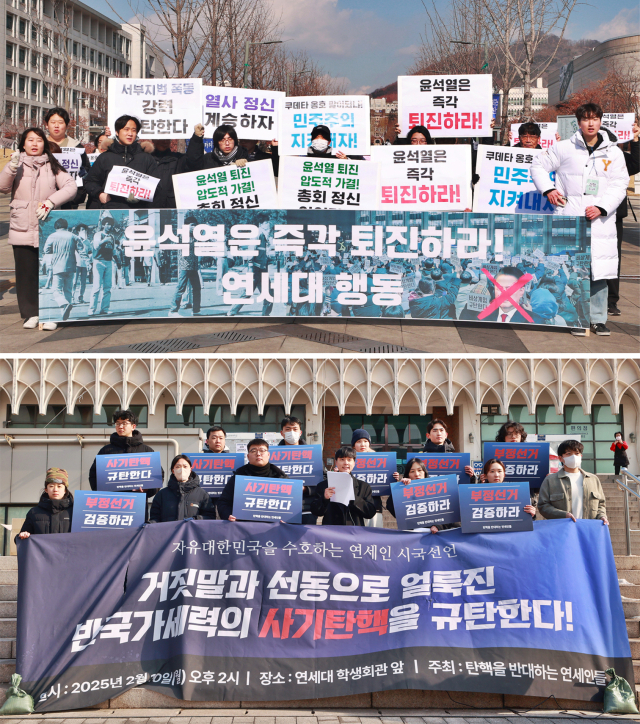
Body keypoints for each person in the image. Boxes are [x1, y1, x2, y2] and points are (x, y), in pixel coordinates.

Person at [530, 103, 629, 336]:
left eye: (595, 118)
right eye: (586, 119)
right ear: (578, 122)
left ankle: (597, 319)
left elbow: (619, 184)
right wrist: (549, 190)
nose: (591, 123)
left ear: (601, 121)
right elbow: (538, 165)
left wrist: (603, 207)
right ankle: (577, 318)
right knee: (574, 271)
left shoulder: (613, 152)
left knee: (598, 270)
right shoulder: (564, 148)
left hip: (600, 221)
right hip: (570, 216)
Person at [0, 127, 77, 331]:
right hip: (22, 226)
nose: (35, 144)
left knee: (50, 272)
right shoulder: (16, 164)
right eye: (30, 140)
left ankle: (51, 312)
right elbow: (3, 187)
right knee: (26, 273)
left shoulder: (52, 165)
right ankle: (30, 313)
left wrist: (51, 202)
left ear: (45, 144)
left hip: (47, 227)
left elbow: (71, 186)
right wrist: (11, 167)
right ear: (23, 144)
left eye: (39, 140)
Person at [83, 115, 160, 210]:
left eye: (134, 130)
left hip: (138, 212)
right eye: (126, 129)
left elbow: (156, 186)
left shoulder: (146, 158)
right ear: (117, 132)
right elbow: (90, 181)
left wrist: (141, 197)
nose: (130, 134)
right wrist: (99, 193)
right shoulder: (105, 157)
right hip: (110, 211)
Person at [89, 409, 161, 501]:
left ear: (133, 426)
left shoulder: (146, 451)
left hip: (137, 501)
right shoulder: (106, 451)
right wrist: (102, 492)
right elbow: (94, 475)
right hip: (112, 502)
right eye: (117, 423)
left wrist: (148, 490)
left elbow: (158, 475)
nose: (120, 426)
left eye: (124, 423)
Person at [608, 121, 640, 316]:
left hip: (614, 215)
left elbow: (636, 164)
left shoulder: (620, 158)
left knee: (613, 258)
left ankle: (611, 300)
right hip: (588, 213)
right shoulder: (586, 157)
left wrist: (635, 139)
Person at [538, 440, 608, 524]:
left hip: (588, 528)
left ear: (581, 456)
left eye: (577, 453)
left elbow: (601, 504)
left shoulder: (593, 479)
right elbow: (543, 506)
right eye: (568, 454)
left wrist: (602, 516)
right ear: (560, 458)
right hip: (562, 529)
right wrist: (564, 515)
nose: (574, 457)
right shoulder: (550, 480)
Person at [217, 439, 288, 521]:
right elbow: (223, 502)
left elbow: (292, 504)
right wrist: (228, 515)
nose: (258, 454)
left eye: (262, 450)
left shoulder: (280, 476)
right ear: (248, 456)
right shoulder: (239, 476)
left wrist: (287, 519)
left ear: (268, 454)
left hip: (273, 528)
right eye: (253, 451)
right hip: (244, 527)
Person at [311, 446, 376, 526]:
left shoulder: (363, 486)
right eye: (342, 459)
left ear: (354, 463)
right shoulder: (323, 485)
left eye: (349, 460)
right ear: (336, 462)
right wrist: (324, 498)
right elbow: (315, 511)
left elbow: (370, 513)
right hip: (331, 532)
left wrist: (354, 498)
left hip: (355, 533)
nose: (346, 463)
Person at [43, 107, 89, 209]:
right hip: (43, 199)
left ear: (67, 125)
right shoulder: (40, 145)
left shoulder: (76, 146)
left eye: (60, 122)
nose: (56, 126)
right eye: (53, 122)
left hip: (69, 200)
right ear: (46, 125)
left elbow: (86, 170)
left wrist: (77, 196)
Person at [276, 416, 317, 525]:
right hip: (280, 507)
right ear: (282, 432)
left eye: (295, 429)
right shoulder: (272, 455)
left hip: (307, 508)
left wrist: (306, 489)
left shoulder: (313, 454)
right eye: (288, 429)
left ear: (300, 432)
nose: (292, 432)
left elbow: (323, 479)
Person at [149, 455, 214, 523]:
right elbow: (155, 518)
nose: (182, 469)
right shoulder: (162, 494)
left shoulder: (202, 494)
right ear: (173, 471)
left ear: (190, 469)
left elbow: (210, 517)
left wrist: (195, 519)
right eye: (178, 467)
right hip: (169, 533)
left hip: (192, 533)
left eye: (185, 466)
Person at [41, 218, 83, 321]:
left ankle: (64, 304)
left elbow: (46, 250)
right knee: (67, 290)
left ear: (56, 227)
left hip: (57, 267)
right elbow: (81, 248)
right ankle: (65, 311)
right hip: (71, 266)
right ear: (66, 226)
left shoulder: (52, 236)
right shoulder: (73, 236)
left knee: (56, 290)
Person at [386, 457, 441, 531]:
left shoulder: (437, 489)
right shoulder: (404, 490)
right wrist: (400, 488)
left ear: (424, 472)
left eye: (419, 470)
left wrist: (438, 526)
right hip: (411, 535)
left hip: (434, 534)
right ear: (408, 475)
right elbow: (390, 506)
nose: (417, 474)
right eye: (412, 471)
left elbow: (447, 513)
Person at [17, 467, 73, 538]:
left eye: (59, 486)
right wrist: (23, 535)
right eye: (51, 486)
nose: (55, 490)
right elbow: (20, 540)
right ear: (46, 489)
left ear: (65, 490)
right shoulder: (34, 513)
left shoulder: (74, 512)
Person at [169, 214, 202, 317]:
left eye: (195, 225)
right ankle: (173, 311)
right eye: (192, 225)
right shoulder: (183, 235)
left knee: (197, 288)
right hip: (185, 265)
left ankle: (196, 311)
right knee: (181, 288)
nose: (194, 227)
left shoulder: (196, 236)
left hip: (193, 266)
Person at [350, 429, 383, 528]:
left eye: (365, 441)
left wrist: (393, 477)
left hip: (374, 504)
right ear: (354, 445)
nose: (362, 444)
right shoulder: (348, 461)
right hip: (354, 506)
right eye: (358, 441)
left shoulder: (379, 460)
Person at [186, 123, 250, 171]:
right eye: (222, 140)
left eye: (230, 139)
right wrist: (197, 138)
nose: (227, 143)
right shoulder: (209, 159)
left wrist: (247, 166)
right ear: (217, 142)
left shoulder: (245, 157)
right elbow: (193, 163)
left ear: (235, 141)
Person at [88, 214, 118, 317]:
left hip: (109, 262)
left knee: (107, 287)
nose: (109, 226)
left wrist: (118, 261)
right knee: (96, 287)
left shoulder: (112, 237)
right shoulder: (98, 234)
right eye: (107, 224)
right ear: (103, 225)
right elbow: (96, 246)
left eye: (110, 225)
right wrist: (104, 240)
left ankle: (105, 308)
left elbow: (113, 250)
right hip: (98, 262)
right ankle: (91, 309)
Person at [150, 139, 187, 209]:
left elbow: (194, 160)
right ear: (153, 140)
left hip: (171, 208)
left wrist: (196, 139)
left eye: (167, 139)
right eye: (161, 139)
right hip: (149, 209)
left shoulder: (178, 159)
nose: (165, 142)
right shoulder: (145, 159)